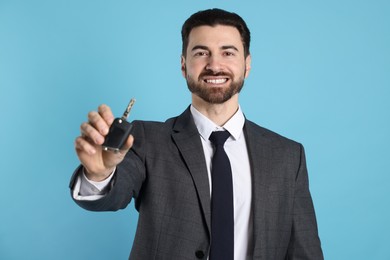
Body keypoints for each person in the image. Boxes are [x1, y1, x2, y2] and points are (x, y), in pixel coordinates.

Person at [70, 8, 324, 260]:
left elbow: (304, 252)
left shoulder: (288, 156)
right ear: (184, 65)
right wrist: (99, 174)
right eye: (202, 53)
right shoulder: (147, 139)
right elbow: (113, 196)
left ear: (247, 65)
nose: (214, 65)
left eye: (228, 52)